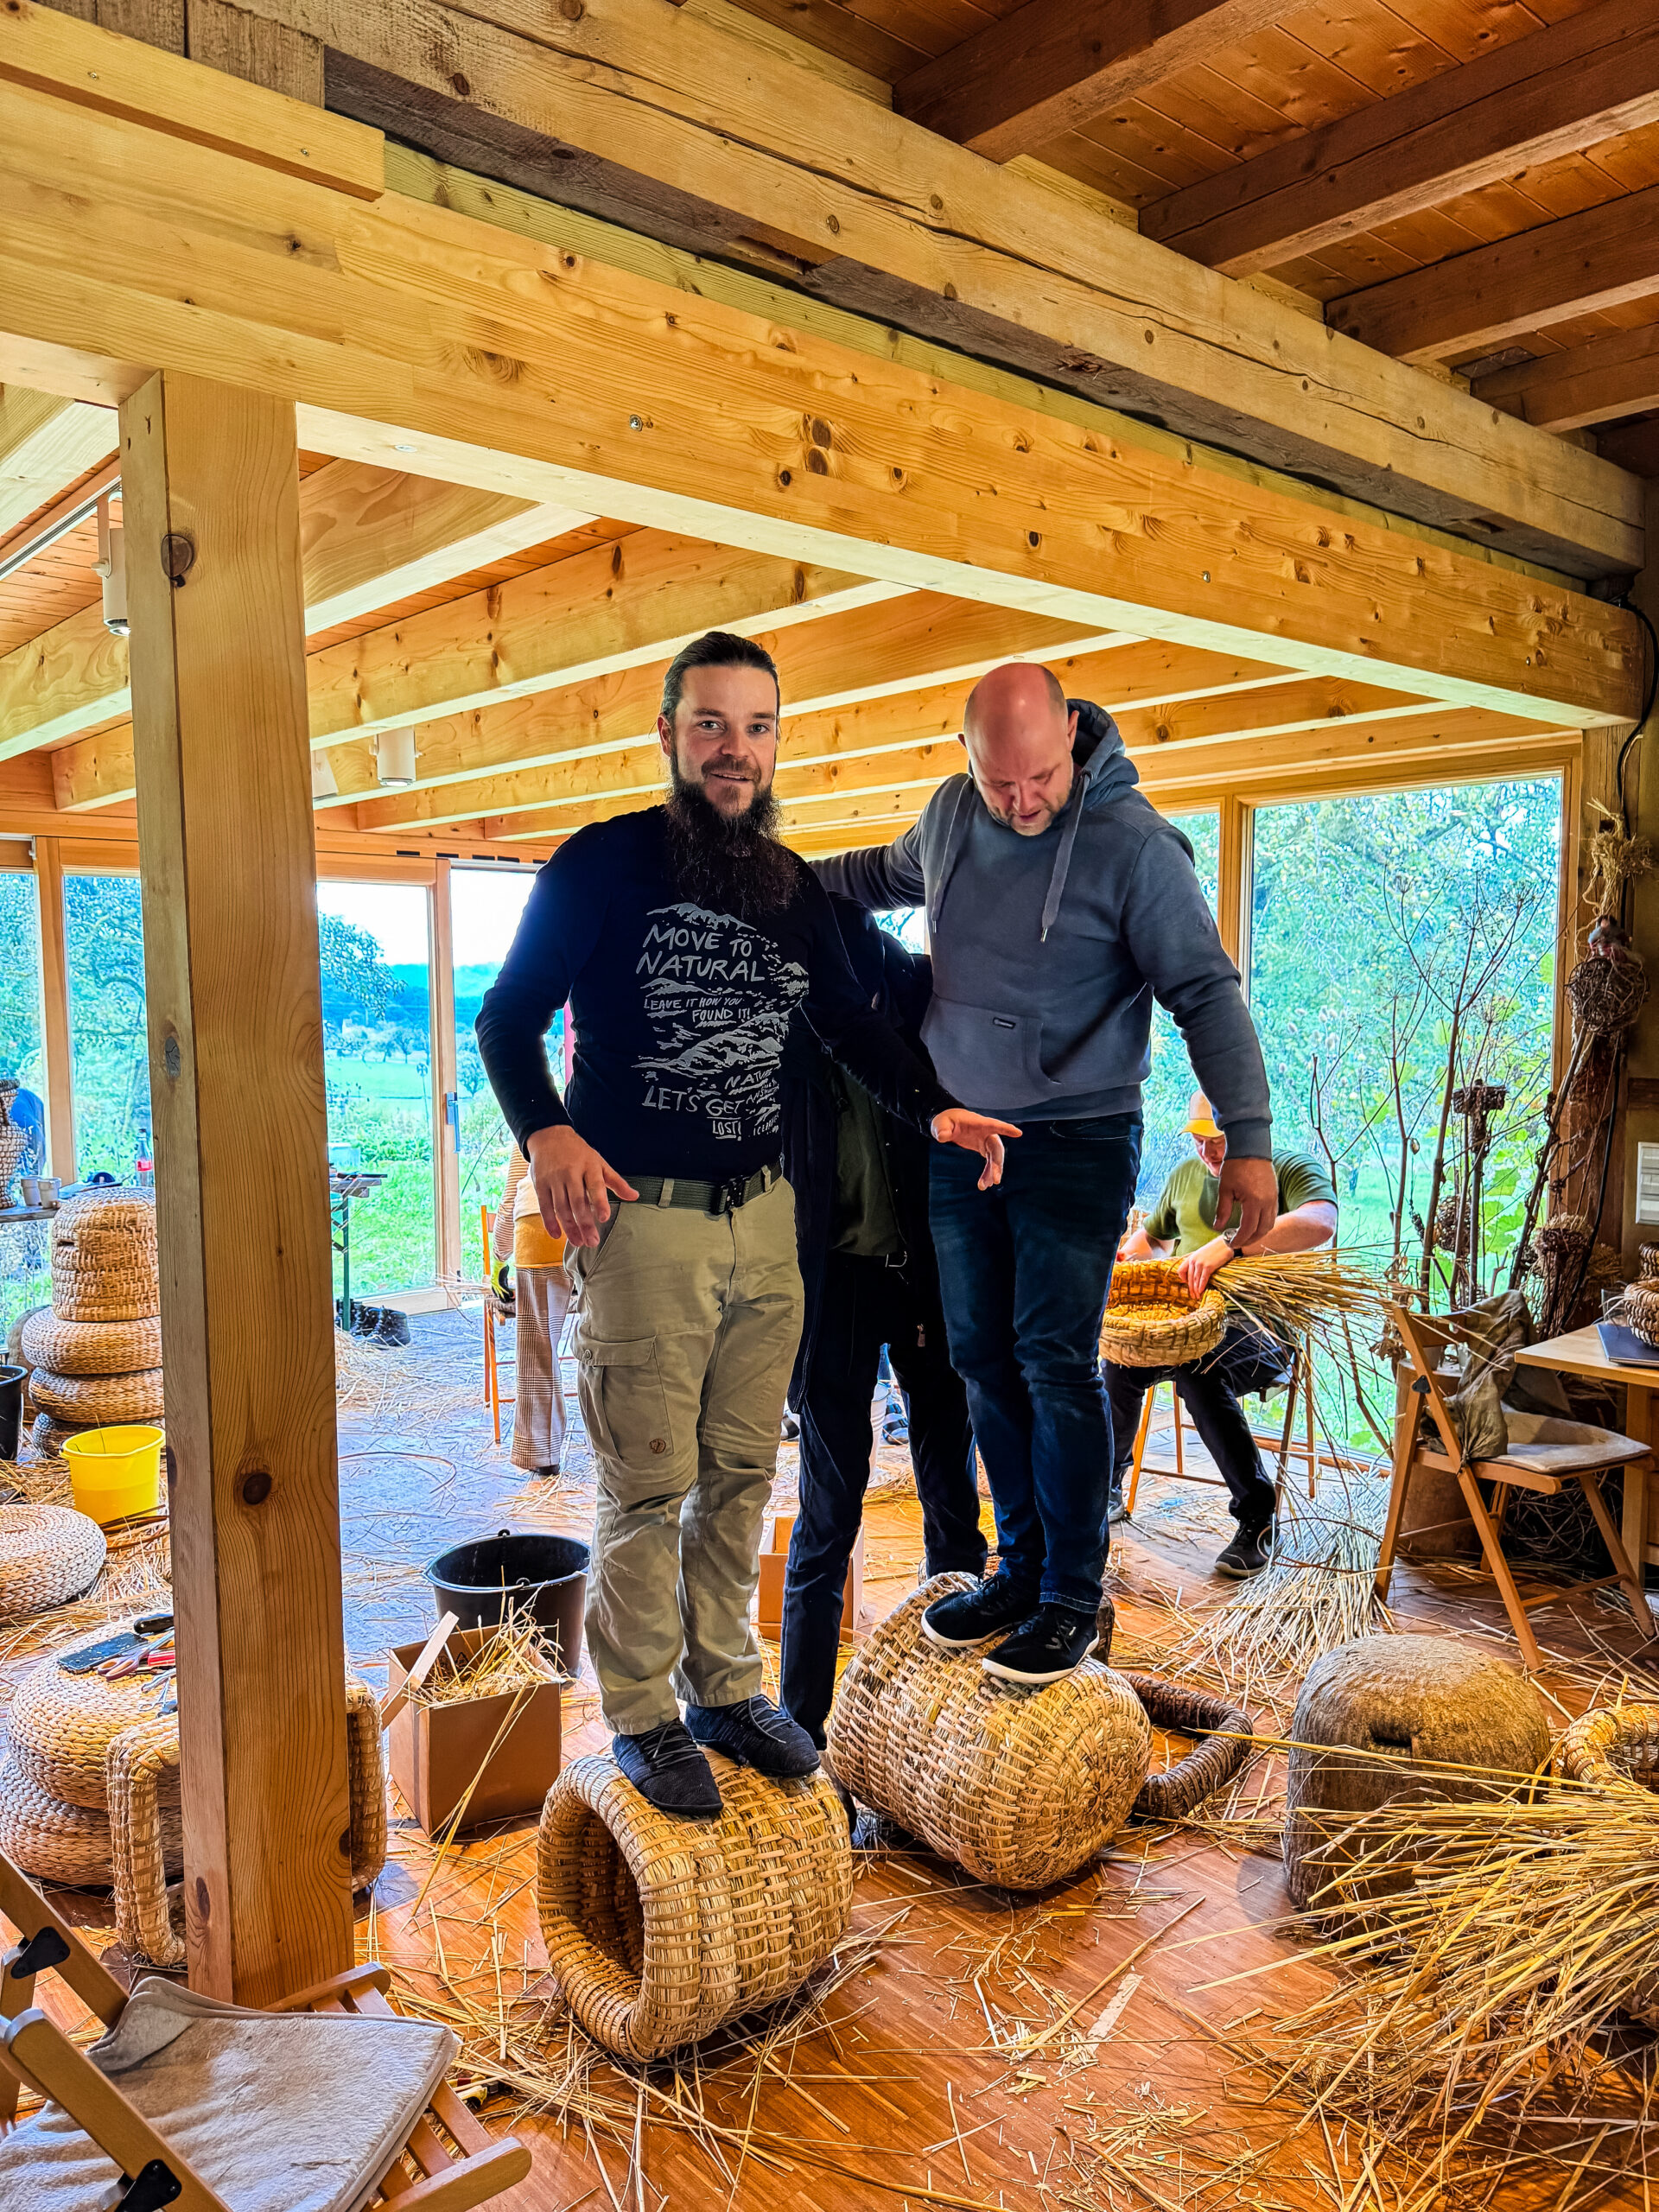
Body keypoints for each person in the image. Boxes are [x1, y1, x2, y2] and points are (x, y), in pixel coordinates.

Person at [476, 632, 1015, 1817]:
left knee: (738, 1474)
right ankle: (639, 1713)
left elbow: (852, 1026)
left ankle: (724, 1685)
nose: (736, 750)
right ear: (669, 735)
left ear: (777, 746)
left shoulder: (792, 891)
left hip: (768, 1221)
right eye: (712, 724)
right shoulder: (602, 866)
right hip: (646, 1223)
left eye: (757, 728)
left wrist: (937, 1113)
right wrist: (548, 1134)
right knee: (646, 1481)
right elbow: (508, 1016)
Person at [815, 663, 1274, 1688]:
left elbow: (1204, 990)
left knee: (1053, 1360)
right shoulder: (947, 816)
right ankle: (1017, 1567)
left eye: (1038, 778)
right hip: (962, 1136)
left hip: (1078, 1137)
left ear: (1073, 733)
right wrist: (788, 876)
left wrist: (1247, 1137)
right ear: (967, 756)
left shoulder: (1135, 846)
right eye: (997, 783)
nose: (1020, 803)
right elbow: (881, 874)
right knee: (979, 1355)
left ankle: (1073, 1588)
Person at [779, 895, 986, 1751]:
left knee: (950, 1495)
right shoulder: (785, 1023)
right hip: (834, 1288)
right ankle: (802, 1729)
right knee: (829, 1510)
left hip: (928, 1278)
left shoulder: (919, 995)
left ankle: (954, 1705)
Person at [1110, 1092, 1338, 1575]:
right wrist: (1128, 1258)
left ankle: (1257, 1516)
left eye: (1218, 1142)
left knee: (1199, 1368)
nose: (1208, 1153)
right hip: (1183, 1324)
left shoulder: (1287, 1168)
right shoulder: (1187, 1176)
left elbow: (1321, 1223)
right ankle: (1102, 1488)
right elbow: (1153, 1238)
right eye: (1198, 1141)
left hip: (1261, 1329)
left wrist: (1232, 1246)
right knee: (1120, 1362)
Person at [493, 1146, 570, 1480]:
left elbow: (511, 1199)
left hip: (538, 1231)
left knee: (539, 1350)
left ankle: (542, 1454)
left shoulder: (532, 1121)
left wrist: (499, 1256)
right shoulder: (601, 1105)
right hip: (595, 1228)